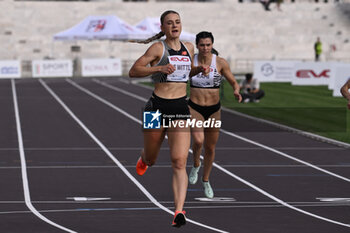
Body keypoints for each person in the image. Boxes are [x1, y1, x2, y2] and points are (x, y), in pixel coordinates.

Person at [128, 10, 206, 228]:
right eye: (170, 23)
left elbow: (185, 73)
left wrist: (197, 70)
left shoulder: (189, 47)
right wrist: (160, 67)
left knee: (179, 161)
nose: (174, 26)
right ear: (162, 28)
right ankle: (144, 159)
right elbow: (133, 71)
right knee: (152, 159)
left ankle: (179, 211)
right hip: (155, 107)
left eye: (178, 22)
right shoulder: (157, 48)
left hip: (179, 107)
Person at [188, 31, 242, 198]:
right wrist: (197, 70)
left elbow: (233, 80)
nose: (205, 48)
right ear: (197, 46)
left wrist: (236, 90)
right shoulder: (192, 61)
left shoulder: (220, 62)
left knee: (210, 147)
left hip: (213, 110)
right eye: (202, 45)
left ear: (212, 45)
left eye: (208, 45)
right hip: (195, 107)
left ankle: (206, 180)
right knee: (198, 140)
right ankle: (196, 164)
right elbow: (184, 76)